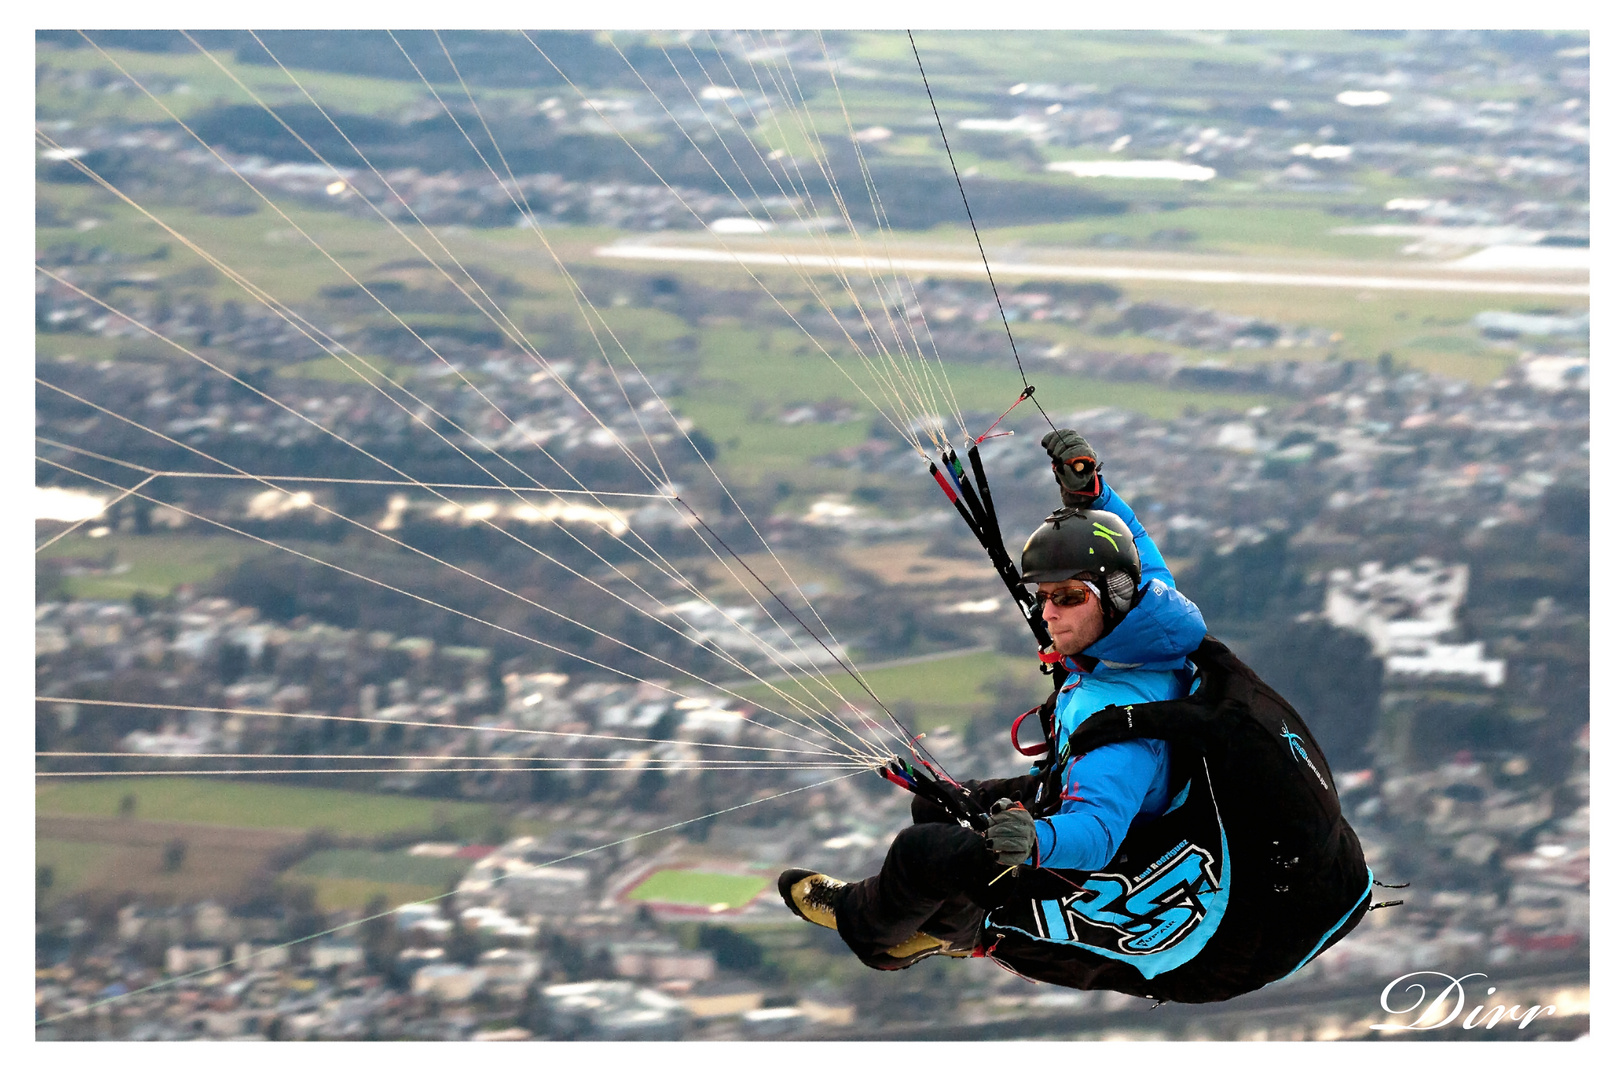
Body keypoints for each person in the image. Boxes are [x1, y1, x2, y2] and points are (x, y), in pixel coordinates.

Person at [778, 430, 1208, 969]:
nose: (1049, 613)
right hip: (1077, 803)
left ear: (1112, 594)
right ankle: (943, 929)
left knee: (922, 853)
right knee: (936, 801)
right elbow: (1134, 544)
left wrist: (1034, 840)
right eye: (1044, 596)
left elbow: (1096, 833)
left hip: (1087, 859)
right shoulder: (1149, 615)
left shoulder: (1119, 726)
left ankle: (863, 926)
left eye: (1069, 598)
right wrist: (1091, 495)